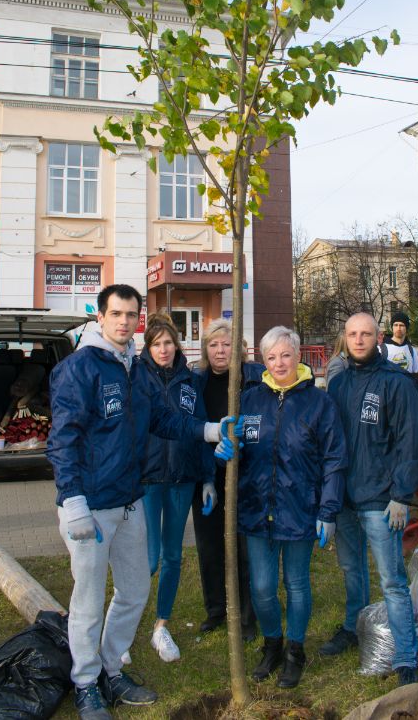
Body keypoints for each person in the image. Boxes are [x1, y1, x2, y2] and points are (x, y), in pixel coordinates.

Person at [47, 285, 233, 720]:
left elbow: (164, 420)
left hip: (130, 501)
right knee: (89, 601)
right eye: (117, 314)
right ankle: (86, 683)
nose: (124, 322)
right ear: (99, 315)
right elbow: (63, 440)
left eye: (132, 315)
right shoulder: (80, 369)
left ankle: (111, 669)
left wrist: (208, 430)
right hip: (89, 507)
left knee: (133, 592)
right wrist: (72, 501)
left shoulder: (134, 369)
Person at [321, 312, 418, 688]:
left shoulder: (395, 385)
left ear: (378, 337)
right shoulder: (338, 384)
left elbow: (411, 445)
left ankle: (405, 656)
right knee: (352, 571)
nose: (359, 340)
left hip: (381, 502)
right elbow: (329, 447)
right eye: (353, 334)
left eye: (366, 333)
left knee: (392, 580)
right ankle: (354, 627)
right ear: (345, 338)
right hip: (346, 500)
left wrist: (402, 496)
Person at [238, 326, 347, 689]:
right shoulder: (251, 400)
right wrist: (224, 450)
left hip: (301, 509)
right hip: (256, 509)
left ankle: (295, 651)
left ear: (298, 355)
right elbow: (238, 448)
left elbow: (334, 459)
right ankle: (272, 644)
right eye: (271, 357)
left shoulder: (319, 403)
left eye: (286, 354)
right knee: (263, 588)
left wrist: (328, 511)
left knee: (296, 583)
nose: (279, 362)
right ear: (263, 361)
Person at [140, 312, 216, 663]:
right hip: (147, 478)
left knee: (172, 556)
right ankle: (123, 624)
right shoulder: (137, 376)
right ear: (148, 347)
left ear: (177, 344)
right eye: (157, 344)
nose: (164, 349)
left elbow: (201, 430)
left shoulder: (190, 382)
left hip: (183, 478)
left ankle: (161, 625)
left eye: (169, 342)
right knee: (148, 559)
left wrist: (208, 478)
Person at [191, 318, 263, 640]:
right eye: (214, 344)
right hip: (208, 475)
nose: (220, 351)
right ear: (206, 349)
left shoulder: (254, 379)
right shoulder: (197, 383)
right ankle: (216, 609)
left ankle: (247, 614)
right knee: (209, 546)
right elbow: (193, 431)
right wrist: (207, 475)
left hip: (244, 476)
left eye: (227, 344)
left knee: (244, 547)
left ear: (239, 349)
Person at [381, 310, 418, 390]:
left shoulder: (411, 350)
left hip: (406, 395)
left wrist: (412, 391)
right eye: (395, 325)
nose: (398, 328)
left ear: (406, 327)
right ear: (392, 327)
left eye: (402, 325)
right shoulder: (381, 349)